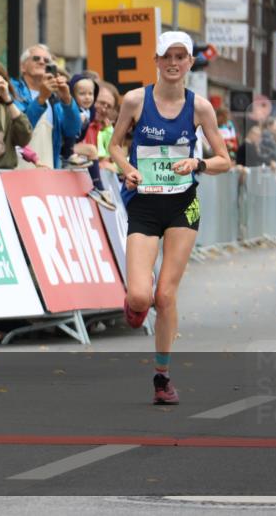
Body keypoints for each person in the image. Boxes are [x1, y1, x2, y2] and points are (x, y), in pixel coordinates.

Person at [108, 31, 232, 406]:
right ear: (157, 60)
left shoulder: (200, 108)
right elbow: (114, 144)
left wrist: (198, 162)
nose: (174, 63)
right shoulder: (134, 100)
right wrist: (128, 167)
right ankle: (134, 303)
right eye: (167, 56)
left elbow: (225, 160)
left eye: (181, 56)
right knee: (141, 295)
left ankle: (162, 376)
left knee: (165, 295)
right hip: (144, 204)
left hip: (183, 205)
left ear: (190, 62)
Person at [11, 44, 81, 168]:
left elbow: (72, 130)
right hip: (17, 169)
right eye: (36, 58)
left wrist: (67, 99)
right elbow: (19, 130)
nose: (42, 62)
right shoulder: (12, 89)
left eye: (47, 60)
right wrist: (41, 98)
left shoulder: (55, 98)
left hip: (47, 171)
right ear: (23, 67)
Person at [62, 72, 99, 167]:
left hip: (74, 144)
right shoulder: (70, 110)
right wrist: (76, 120)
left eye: (90, 93)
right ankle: (69, 155)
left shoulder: (90, 111)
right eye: (82, 94)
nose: (87, 97)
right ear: (73, 95)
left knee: (92, 150)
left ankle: (95, 182)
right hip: (64, 147)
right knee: (92, 150)